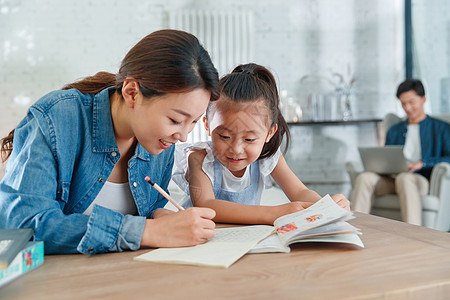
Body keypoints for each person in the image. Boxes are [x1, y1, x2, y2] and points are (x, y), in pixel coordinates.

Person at [0, 29, 220, 254]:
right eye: (175, 120)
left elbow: (149, 210)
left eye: (193, 122)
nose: (183, 136)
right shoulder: (56, 118)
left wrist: (160, 216)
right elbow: (24, 225)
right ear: (132, 93)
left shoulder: (161, 142)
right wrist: (148, 231)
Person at [172, 63, 350, 225]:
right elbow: (207, 205)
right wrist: (274, 213)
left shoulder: (267, 156)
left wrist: (325, 206)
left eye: (249, 139)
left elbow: (299, 192)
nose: (236, 149)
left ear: (269, 133)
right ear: (207, 125)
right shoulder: (199, 157)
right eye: (224, 136)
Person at [351, 79, 450, 225]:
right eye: (403, 103)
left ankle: (414, 233)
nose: (407, 107)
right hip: (392, 179)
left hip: (419, 180)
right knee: (365, 178)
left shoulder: (441, 128)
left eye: (411, 102)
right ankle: (355, 229)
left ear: (423, 99)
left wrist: (422, 163)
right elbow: (387, 157)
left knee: (405, 178)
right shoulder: (394, 130)